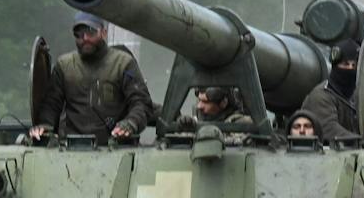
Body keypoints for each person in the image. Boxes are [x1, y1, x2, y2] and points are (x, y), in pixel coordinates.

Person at [30, 15, 155, 143]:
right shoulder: (64, 65)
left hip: (116, 146)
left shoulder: (123, 63)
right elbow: (51, 104)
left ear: (104, 33)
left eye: (91, 32)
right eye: (78, 34)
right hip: (72, 147)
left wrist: (130, 123)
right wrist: (45, 126)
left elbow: (141, 103)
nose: (85, 38)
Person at [298, 38, 361, 140]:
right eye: (345, 64)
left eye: (354, 65)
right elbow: (329, 130)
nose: (350, 69)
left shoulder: (353, 96)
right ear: (335, 65)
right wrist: (361, 142)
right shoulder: (321, 96)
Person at [174, 86, 255, 133]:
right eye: (199, 100)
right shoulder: (196, 119)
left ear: (223, 103)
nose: (199, 106)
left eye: (205, 102)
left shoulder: (241, 124)